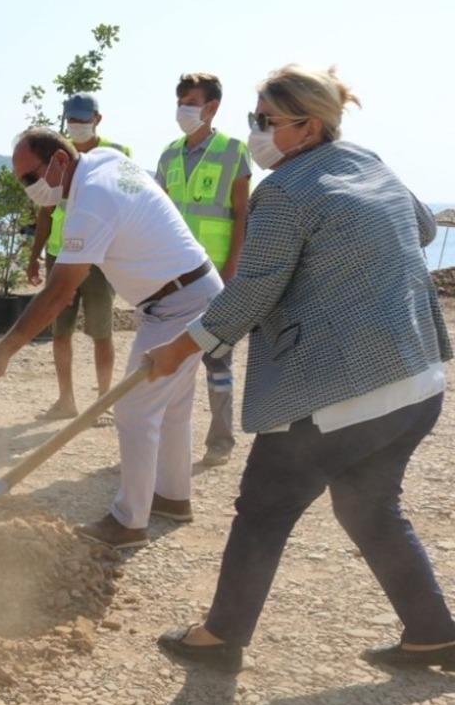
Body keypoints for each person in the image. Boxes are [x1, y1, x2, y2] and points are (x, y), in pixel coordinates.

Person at [149, 65, 455, 672]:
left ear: (307, 126)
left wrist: (180, 348)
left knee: (264, 506)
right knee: (368, 505)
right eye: (253, 119)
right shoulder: (369, 162)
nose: (256, 132)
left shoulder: (284, 192)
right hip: (417, 379)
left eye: (265, 121)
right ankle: (433, 633)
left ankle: (221, 636)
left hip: (341, 392)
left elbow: (253, 290)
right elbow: (420, 228)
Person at [0, 127, 222, 548]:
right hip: (193, 292)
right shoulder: (104, 161)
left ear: (58, 161)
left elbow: (59, 292)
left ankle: (128, 522)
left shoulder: (92, 199)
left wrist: (4, 351)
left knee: (134, 411)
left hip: (177, 303)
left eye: (29, 178)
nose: (29, 189)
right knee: (173, 407)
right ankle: (172, 498)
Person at [156, 73, 252, 467]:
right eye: (180, 99)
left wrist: (232, 268)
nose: (183, 107)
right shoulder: (168, 155)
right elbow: (157, 216)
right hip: (173, 275)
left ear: (211, 107)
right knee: (170, 359)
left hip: (215, 276)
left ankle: (221, 440)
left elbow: (242, 214)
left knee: (217, 362)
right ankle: (164, 437)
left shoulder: (234, 151)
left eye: (190, 100)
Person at [26, 93, 130, 422]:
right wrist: (35, 256)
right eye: (71, 120)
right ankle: (65, 400)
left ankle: (103, 400)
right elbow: (45, 211)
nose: (76, 126)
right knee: (60, 332)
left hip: (99, 256)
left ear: (98, 119)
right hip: (61, 253)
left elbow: (128, 204)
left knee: (102, 331)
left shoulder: (118, 153)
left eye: (83, 120)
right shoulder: (56, 156)